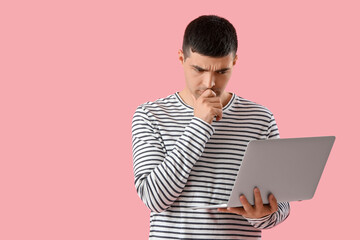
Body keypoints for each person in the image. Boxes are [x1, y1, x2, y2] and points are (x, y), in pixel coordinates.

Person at [131, 14, 290, 239]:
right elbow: (155, 199)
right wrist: (199, 125)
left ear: (234, 62)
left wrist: (261, 215)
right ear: (181, 58)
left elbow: (281, 206)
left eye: (221, 71)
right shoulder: (150, 115)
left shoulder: (260, 118)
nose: (210, 83)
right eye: (199, 69)